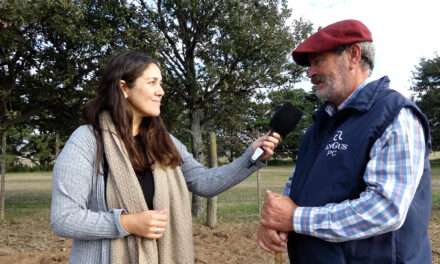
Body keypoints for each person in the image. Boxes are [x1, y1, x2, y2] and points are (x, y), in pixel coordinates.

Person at [50, 50, 280, 264]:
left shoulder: (164, 141)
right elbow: (64, 218)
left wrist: (251, 156)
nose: (161, 91)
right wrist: (126, 223)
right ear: (124, 88)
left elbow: (204, 182)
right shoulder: (87, 140)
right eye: (152, 83)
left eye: (160, 83)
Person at [257, 19, 432, 264]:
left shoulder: (395, 115)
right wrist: (277, 221)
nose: (310, 72)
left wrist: (295, 218)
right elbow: (297, 186)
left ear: (353, 55)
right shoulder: (318, 127)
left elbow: (385, 209)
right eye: (309, 65)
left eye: (318, 61)